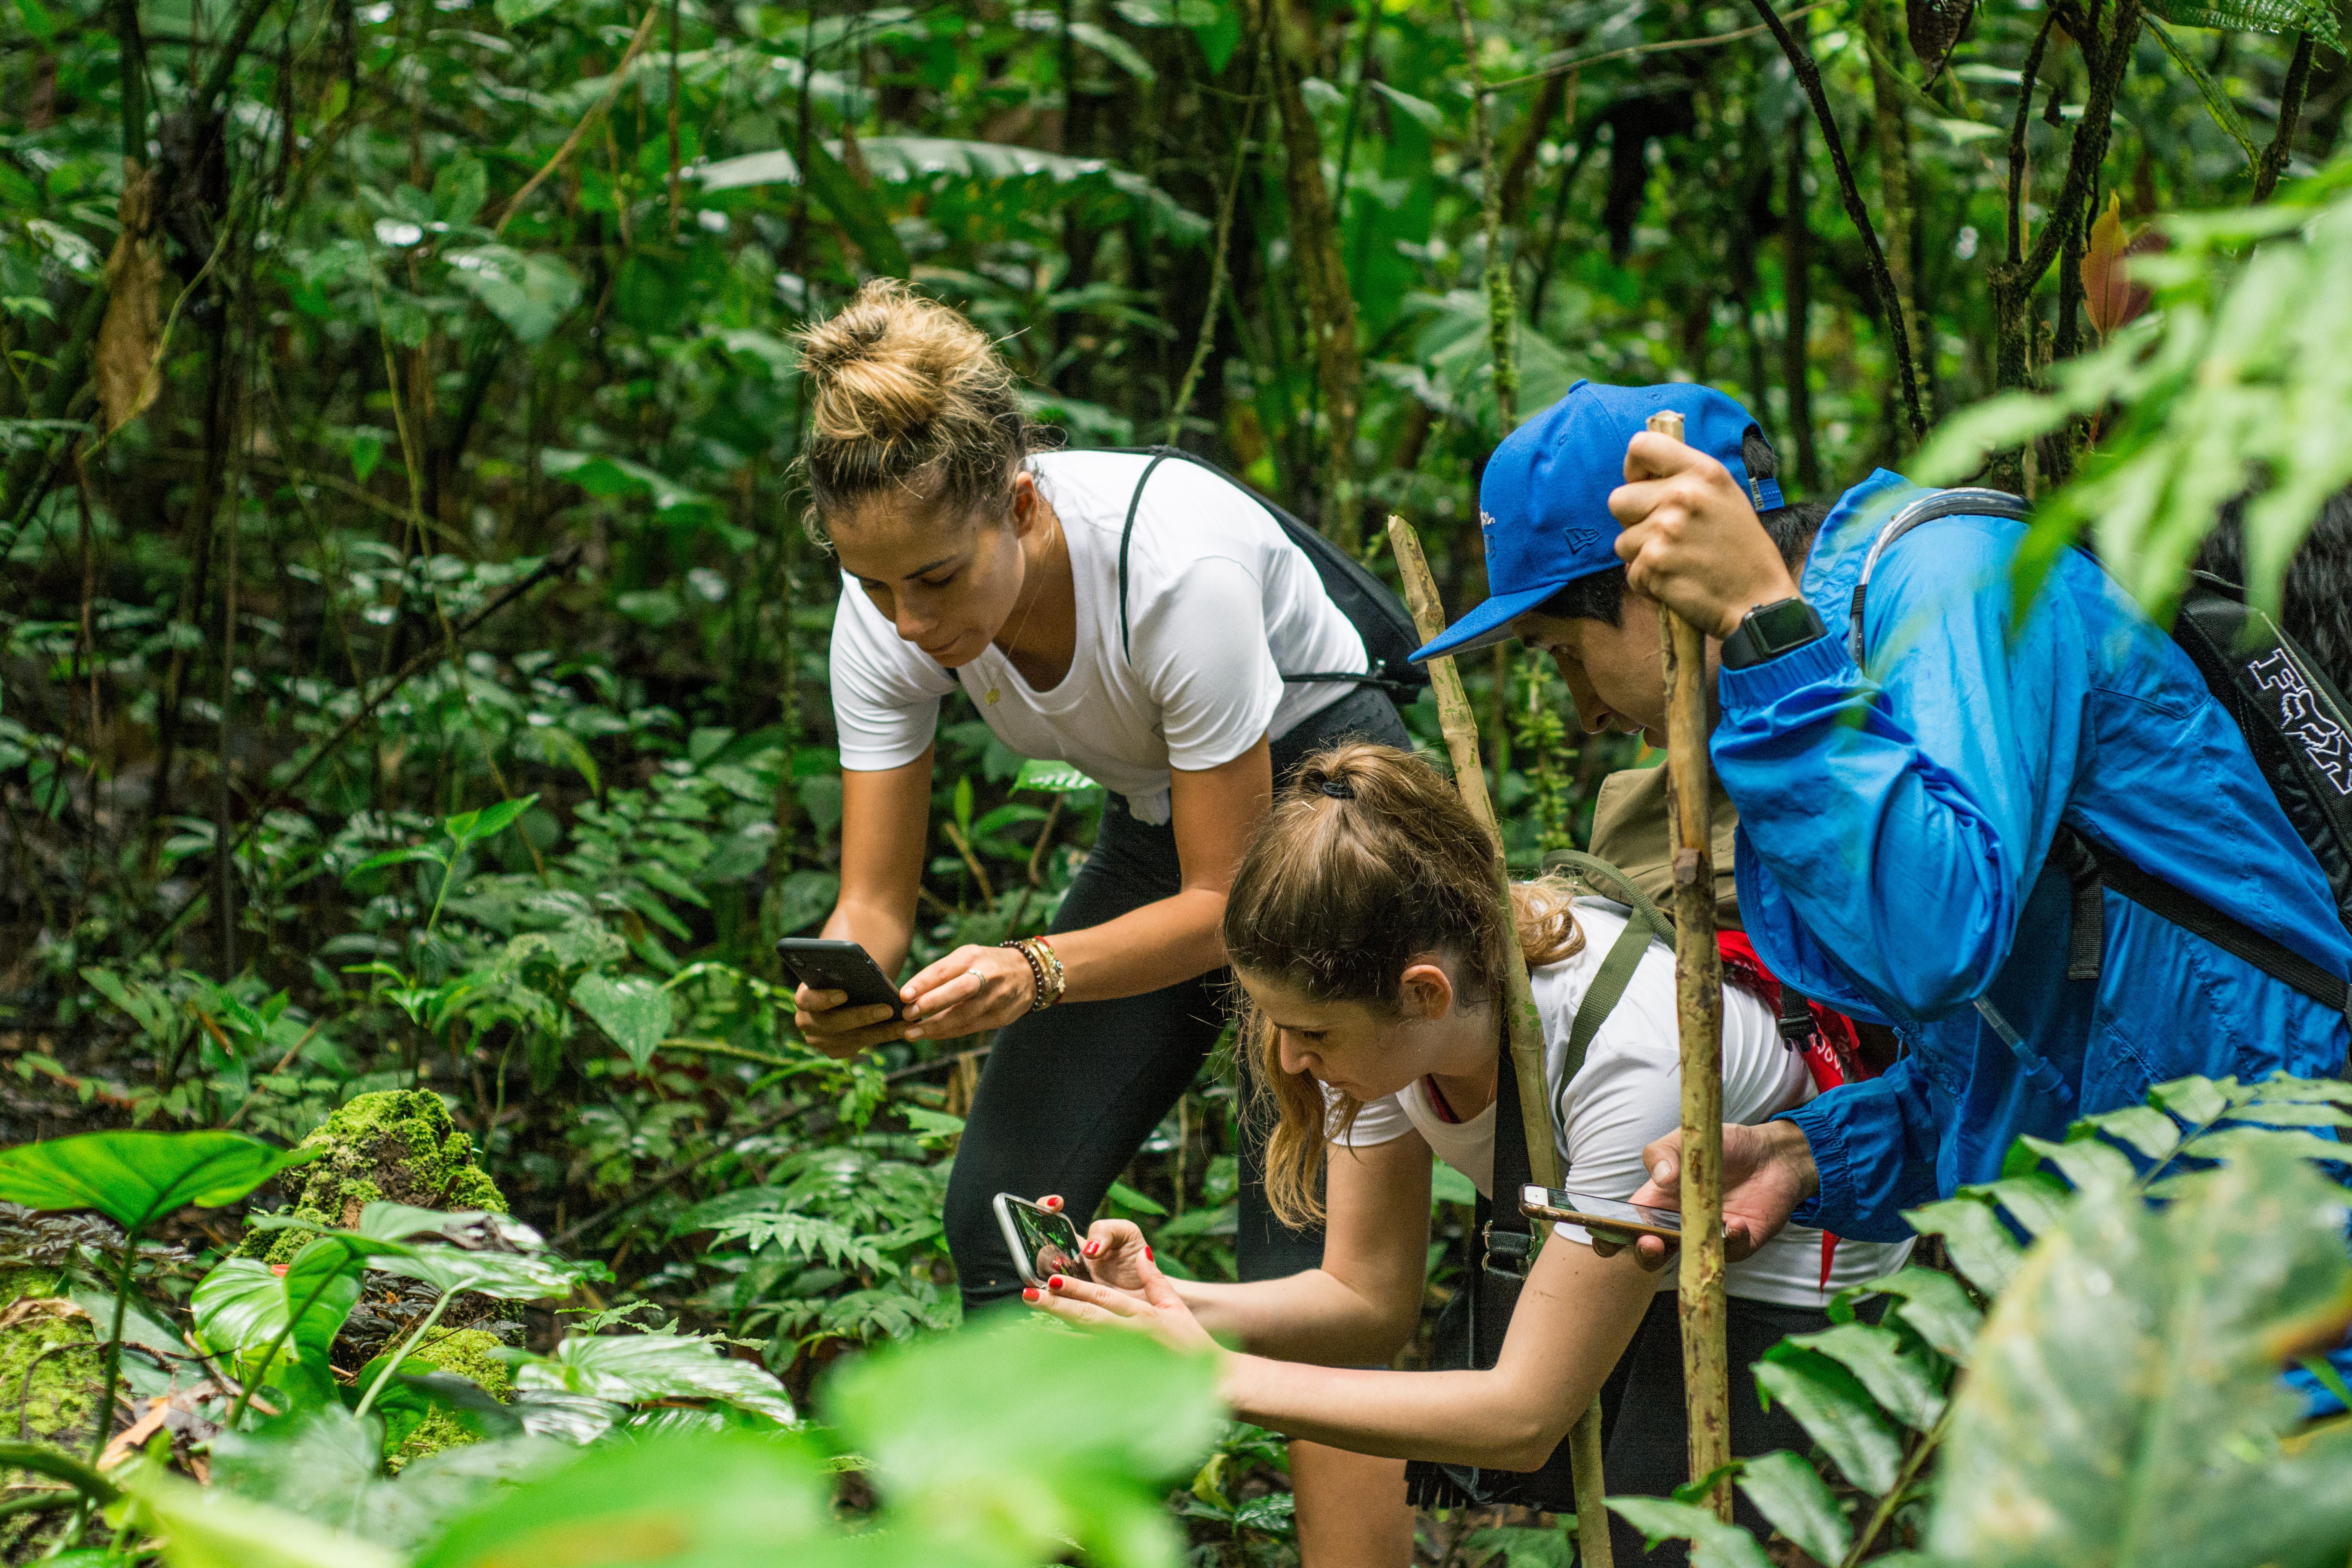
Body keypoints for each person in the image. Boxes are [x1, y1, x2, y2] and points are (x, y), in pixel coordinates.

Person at [1406, 379, 2352, 1298]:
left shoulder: (1952, 584)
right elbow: (2007, 1050)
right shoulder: (1823, 687)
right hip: (2121, 1255)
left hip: (2269, 1209)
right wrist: (1807, 1152)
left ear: (1660, 583)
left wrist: (1762, 639)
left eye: (1566, 654)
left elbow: (1938, 945)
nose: (1583, 712)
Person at [788, 280, 1415, 1561]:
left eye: (937, 579)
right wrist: (849, 985)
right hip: (1173, 833)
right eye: (876, 584)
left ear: (1019, 499)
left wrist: (1033, 968)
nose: (912, 621)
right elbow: (879, 898)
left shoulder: (1172, 561)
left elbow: (1233, 904)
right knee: (1006, 1209)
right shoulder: (889, 606)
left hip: (1333, 814)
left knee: (1306, 1259)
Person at [1028, 743, 1909, 1566]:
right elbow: (1365, 1299)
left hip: (1783, 1271)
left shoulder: (1634, 1054)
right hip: (1631, 1250)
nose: (1292, 1060)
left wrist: (1218, 1376)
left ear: (1423, 992)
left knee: (1665, 1542)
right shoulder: (1388, 1036)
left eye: (1311, 1033)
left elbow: (1523, 1414)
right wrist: (1164, 1302)